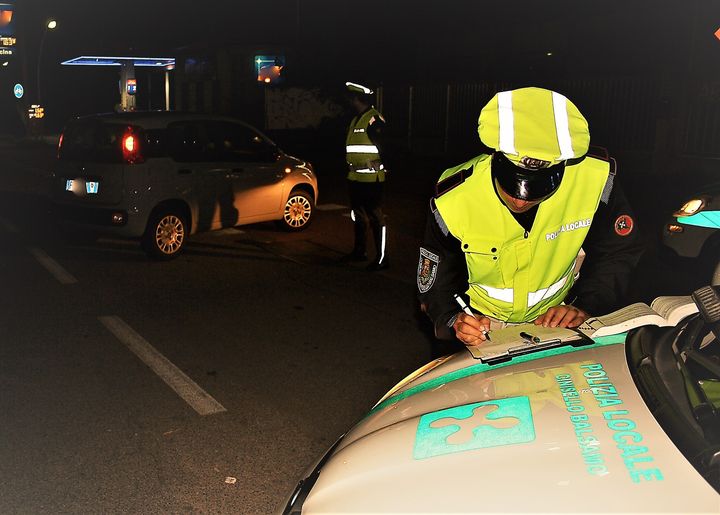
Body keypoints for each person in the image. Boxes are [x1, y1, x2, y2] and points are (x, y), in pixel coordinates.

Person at [417, 86, 644, 349]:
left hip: (558, 324)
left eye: (538, 188)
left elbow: (619, 252)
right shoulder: (454, 198)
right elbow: (433, 281)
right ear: (495, 158)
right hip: (481, 330)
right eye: (511, 183)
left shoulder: (595, 179)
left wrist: (587, 306)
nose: (521, 200)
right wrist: (453, 319)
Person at [341, 81, 389, 271]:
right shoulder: (355, 120)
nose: (349, 101)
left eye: (350, 98)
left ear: (356, 98)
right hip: (355, 178)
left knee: (376, 217)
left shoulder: (373, 118)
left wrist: (384, 164)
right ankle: (359, 251)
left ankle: (382, 258)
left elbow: (386, 144)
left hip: (371, 179)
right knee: (358, 216)